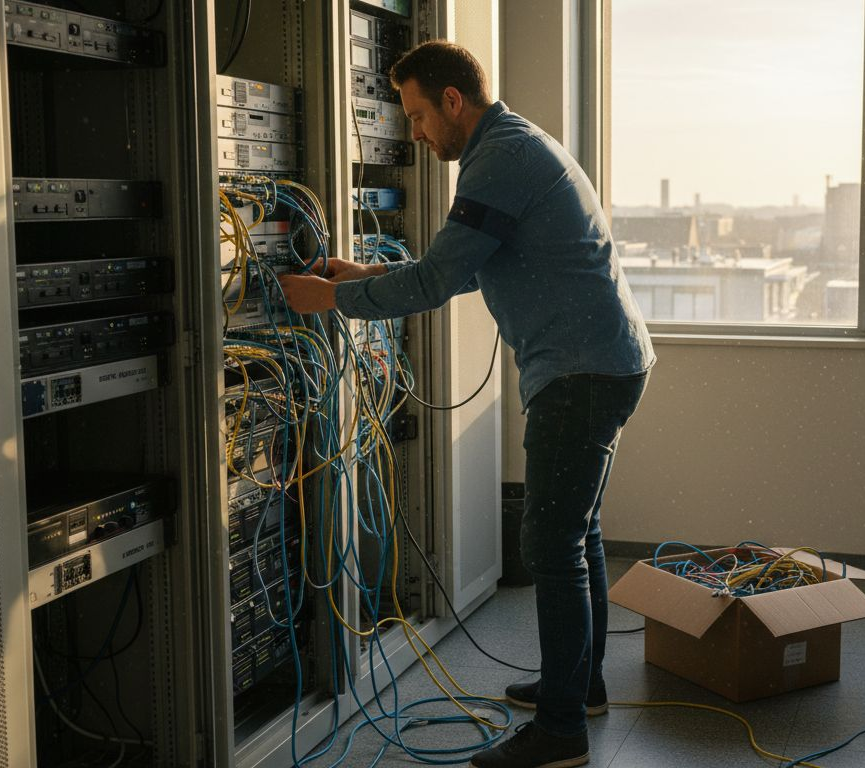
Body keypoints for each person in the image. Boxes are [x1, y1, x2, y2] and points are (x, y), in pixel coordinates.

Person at [278, 40, 654, 768]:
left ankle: (561, 733)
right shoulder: (513, 145)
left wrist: (331, 299)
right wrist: (358, 275)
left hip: (580, 373)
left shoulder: (500, 158)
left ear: (454, 101)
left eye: (419, 115)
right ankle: (581, 689)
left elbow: (438, 281)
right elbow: (465, 266)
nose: (415, 132)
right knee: (577, 535)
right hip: (602, 362)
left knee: (552, 545)